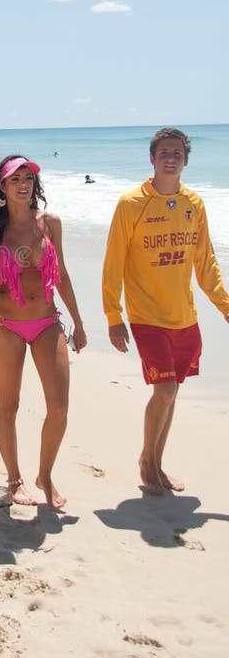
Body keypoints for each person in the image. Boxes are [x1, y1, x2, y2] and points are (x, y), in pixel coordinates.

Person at [0, 155, 87, 509]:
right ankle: (14, 480)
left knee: (59, 407)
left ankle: (45, 475)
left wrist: (79, 321)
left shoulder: (50, 223)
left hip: (47, 323)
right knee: (8, 405)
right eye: (15, 179)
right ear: (2, 186)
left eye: (28, 177)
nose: (23, 184)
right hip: (5, 327)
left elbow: (62, 275)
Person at [102, 127, 229, 495]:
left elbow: (206, 263)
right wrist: (114, 315)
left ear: (186, 160)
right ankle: (147, 461)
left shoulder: (195, 204)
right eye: (164, 152)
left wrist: (224, 305)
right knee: (167, 388)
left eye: (177, 153)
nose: (170, 158)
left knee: (173, 392)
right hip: (146, 315)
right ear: (152, 159)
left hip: (184, 316)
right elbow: (114, 263)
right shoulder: (131, 204)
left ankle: (158, 462)